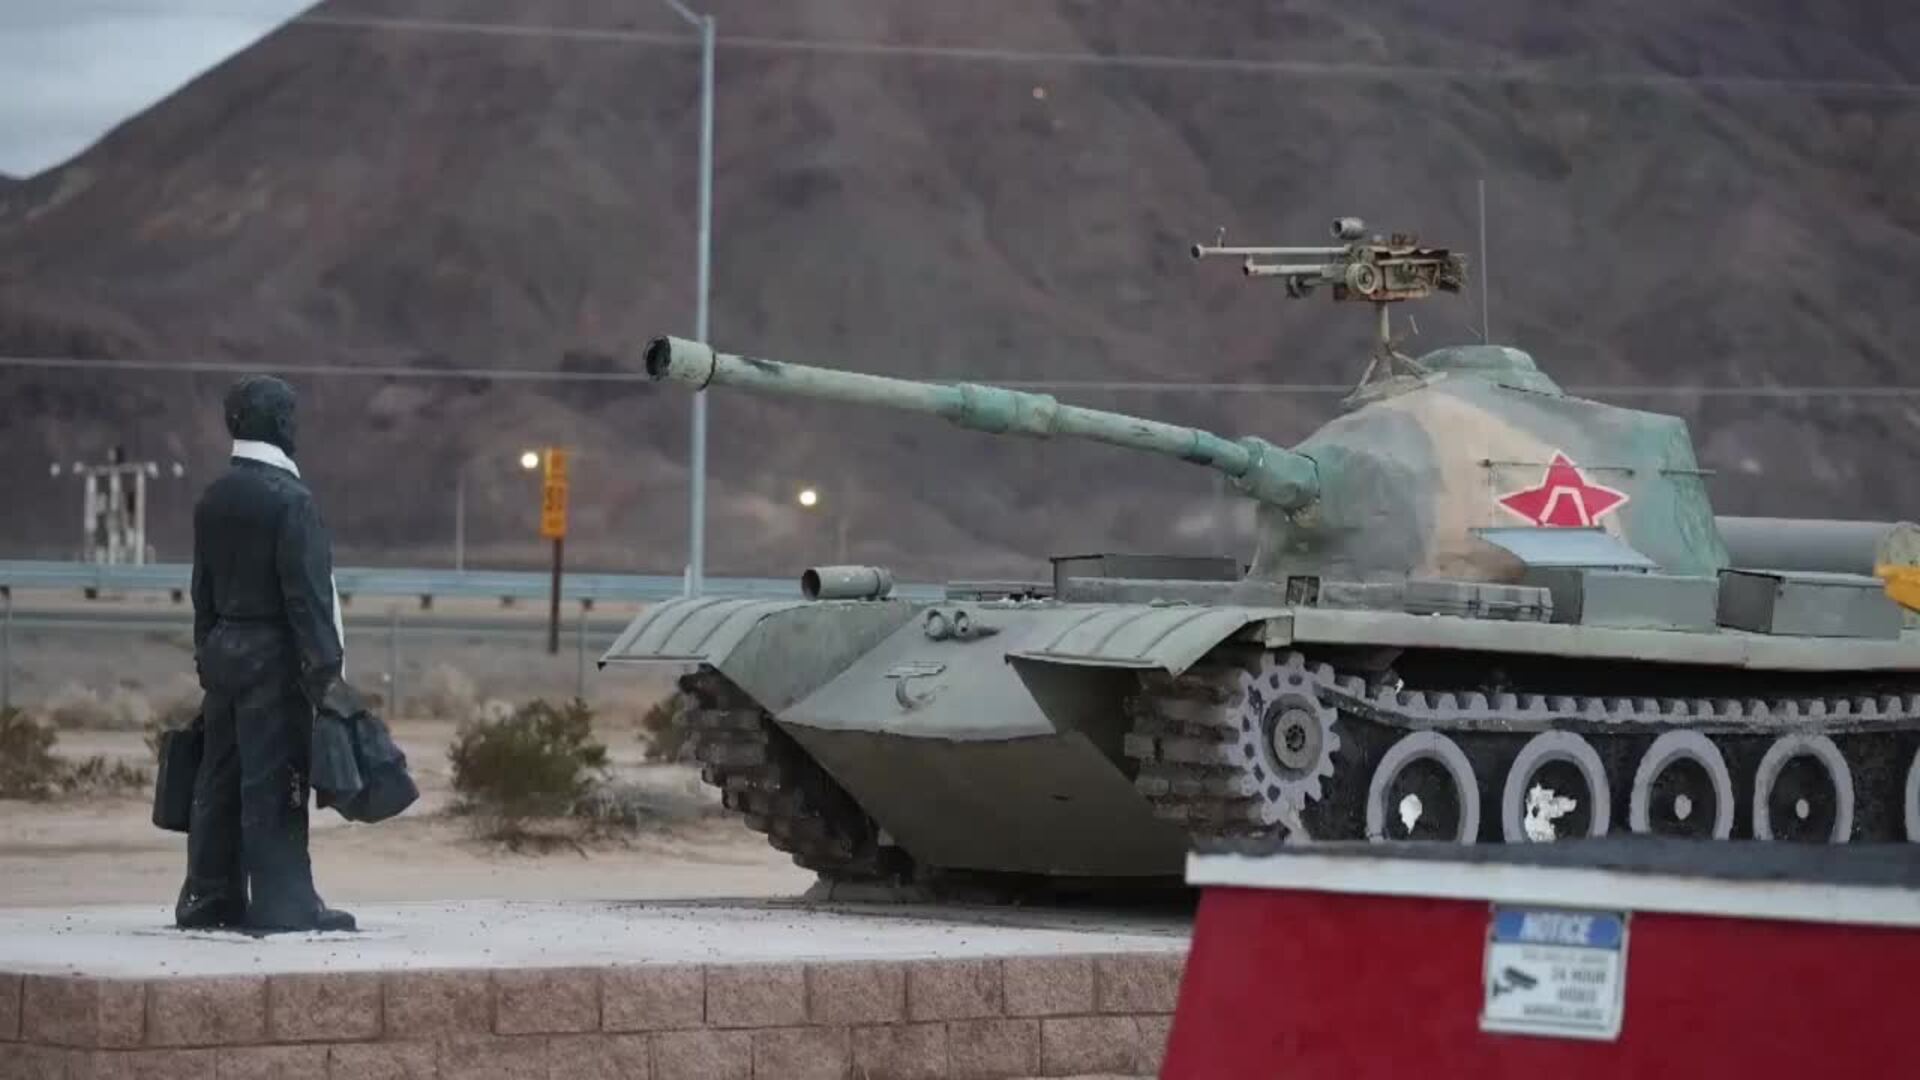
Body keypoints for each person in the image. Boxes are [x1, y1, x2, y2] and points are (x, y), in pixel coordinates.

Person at [175, 374, 355, 933]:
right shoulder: (291, 501)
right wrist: (327, 677)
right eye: (290, 416)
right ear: (278, 423)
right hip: (275, 661)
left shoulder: (214, 497)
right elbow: (308, 599)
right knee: (276, 783)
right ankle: (285, 901)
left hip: (224, 655)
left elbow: (201, 590)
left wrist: (208, 652)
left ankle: (209, 896)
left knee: (218, 781)